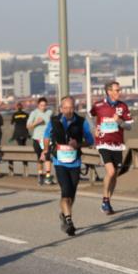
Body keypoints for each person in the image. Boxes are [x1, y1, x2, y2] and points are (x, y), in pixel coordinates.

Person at [43, 96, 94, 236]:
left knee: (71, 195)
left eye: (71, 108)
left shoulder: (81, 122)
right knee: (65, 192)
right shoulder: (54, 121)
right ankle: (69, 221)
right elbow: (46, 136)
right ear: (61, 108)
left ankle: (64, 214)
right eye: (65, 108)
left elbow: (90, 140)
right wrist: (46, 149)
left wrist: (78, 144)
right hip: (59, 162)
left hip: (75, 162)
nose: (68, 110)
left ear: (75, 108)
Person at [89, 81, 133, 215]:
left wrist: (119, 121)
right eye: (116, 90)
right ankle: (105, 199)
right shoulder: (98, 105)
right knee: (111, 172)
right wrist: (93, 129)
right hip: (103, 143)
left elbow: (129, 126)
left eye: (119, 90)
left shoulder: (123, 106)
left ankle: (106, 202)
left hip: (117, 144)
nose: (119, 92)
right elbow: (88, 116)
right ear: (109, 91)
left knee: (115, 176)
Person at [27, 97, 54, 186]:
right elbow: (28, 126)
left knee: (48, 157)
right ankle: (40, 175)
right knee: (40, 158)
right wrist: (36, 122)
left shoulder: (49, 112)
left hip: (47, 139)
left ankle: (48, 177)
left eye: (44, 105)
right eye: (41, 105)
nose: (43, 107)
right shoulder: (34, 113)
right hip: (37, 139)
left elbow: (53, 124)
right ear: (38, 105)